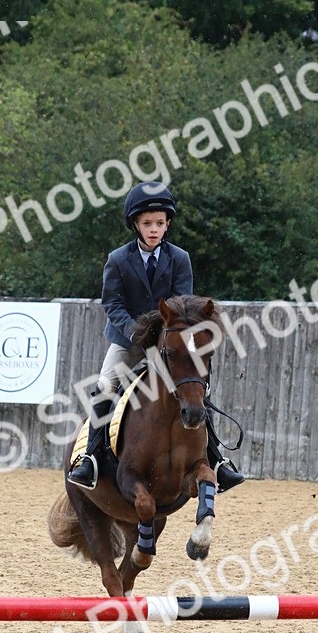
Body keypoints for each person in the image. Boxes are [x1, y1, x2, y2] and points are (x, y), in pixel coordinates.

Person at [68, 180, 245, 492]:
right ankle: (89, 458)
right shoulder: (118, 259)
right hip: (128, 341)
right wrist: (136, 333)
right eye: (147, 223)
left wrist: (165, 338)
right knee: (105, 386)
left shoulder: (180, 258)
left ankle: (217, 460)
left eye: (160, 223)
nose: (154, 229)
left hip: (172, 343)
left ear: (168, 224)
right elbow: (113, 303)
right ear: (135, 224)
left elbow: (184, 306)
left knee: (195, 390)